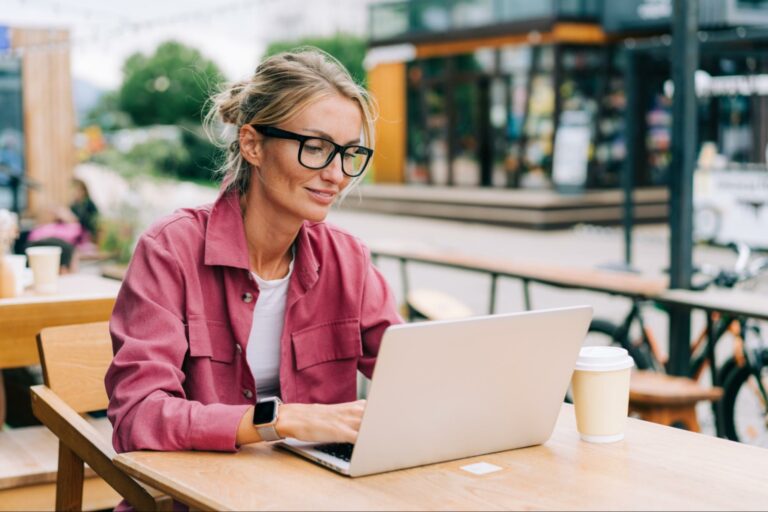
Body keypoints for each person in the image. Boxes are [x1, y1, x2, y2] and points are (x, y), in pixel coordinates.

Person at [105, 48, 402, 461]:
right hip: (203, 486)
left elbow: (412, 380)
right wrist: (280, 420)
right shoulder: (170, 249)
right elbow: (138, 415)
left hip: (319, 486)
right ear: (252, 145)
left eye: (349, 153)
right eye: (316, 147)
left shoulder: (347, 259)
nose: (336, 175)